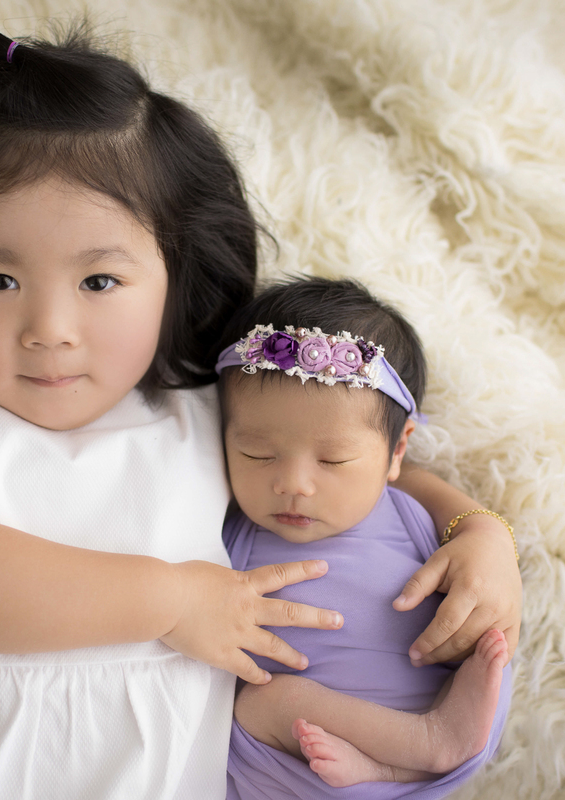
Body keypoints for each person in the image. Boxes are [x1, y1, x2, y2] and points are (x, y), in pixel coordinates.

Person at [0, 20, 522, 800]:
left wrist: (480, 533)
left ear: (173, 276)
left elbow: (352, 453)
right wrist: (169, 603)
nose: (49, 330)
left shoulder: (201, 405)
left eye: (99, 280)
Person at [215, 278, 515, 800]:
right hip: (283, 766)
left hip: (437, 747)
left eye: (332, 460)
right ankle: (416, 748)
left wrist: (486, 539)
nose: (294, 484)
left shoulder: (418, 520)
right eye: (257, 453)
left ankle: (414, 755)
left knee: (486, 648)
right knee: (265, 704)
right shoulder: (225, 531)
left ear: (398, 451)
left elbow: (478, 598)